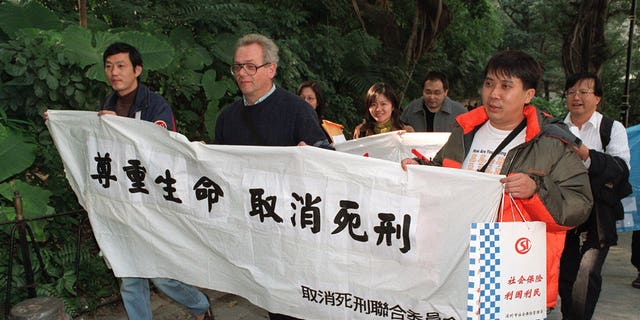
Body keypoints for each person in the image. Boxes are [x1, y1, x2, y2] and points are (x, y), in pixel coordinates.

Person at [400, 50, 593, 310]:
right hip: (454, 264)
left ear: (528, 95)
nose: (494, 94)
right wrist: (421, 169)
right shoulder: (464, 131)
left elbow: (579, 204)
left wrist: (536, 190)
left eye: (506, 86)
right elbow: (442, 174)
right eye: (489, 83)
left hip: (512, 273)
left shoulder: (550, 143)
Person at [53, 42, 213, 320]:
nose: (114, 72)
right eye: (109, 66)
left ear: (137, 70)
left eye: (121, 66)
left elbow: (162, 147)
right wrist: (60, 123)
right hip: (120, 204)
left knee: (162, 276)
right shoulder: (107, 106)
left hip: (151, 206)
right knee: (130, 276)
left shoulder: (155, 105)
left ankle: (199, 305)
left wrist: (122, 127)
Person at [213, 33, 330, 320]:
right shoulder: (227, 118)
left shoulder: (296, 110)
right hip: (252, 225)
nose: (242, 73)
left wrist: (313, 152)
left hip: (292, 229)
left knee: (294, 304)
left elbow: (326, 155)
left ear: (271, 69)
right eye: (237, 67)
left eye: (250, 66)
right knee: (270, 298)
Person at [558, 72, 631, 320]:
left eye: (584, 92)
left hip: (598, 216)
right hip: (562, 213)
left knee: (587, 273)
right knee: (565, 273)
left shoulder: (611, 128)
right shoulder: (556, 128)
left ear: (597, 98)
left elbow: (621, 169)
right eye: (571, 92)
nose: (576, 97)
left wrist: (586, 154)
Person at [400, 71, 467, 132]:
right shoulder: (412, 108)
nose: (432, 97)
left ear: (445, 92)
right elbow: (397, 128)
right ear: (423, 90)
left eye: (437, 93)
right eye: (428, 92)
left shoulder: (460, 112)